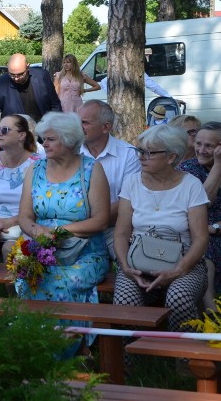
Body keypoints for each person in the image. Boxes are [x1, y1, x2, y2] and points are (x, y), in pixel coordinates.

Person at [114, 125, 209, 332]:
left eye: (149, 153)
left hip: (185, 264)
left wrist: (178, 270)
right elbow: (121, 232)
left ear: (171, 157)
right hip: (137, 262)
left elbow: (201, 238)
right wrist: (126, 267)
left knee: (179, 299)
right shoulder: (132, 182)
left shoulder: (191, 185)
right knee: (124, 302)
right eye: (139, 151)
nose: (141, 157)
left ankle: (186, 360)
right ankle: (135, 361)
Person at [17, 112, 110, 305]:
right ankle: (34, 333)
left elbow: (101, 221)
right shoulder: (35, 169)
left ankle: (70, 335)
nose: (44, 144)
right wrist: (37, 231)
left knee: (62, 282)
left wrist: (58, 232)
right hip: (42, 248)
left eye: (51, 139)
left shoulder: (92, 169)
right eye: (43, 139)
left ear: (69, 141)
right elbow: (24, 216)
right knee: (28, 276)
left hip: (84, 252)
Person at [78, 100, 141, 259]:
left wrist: (92, 220)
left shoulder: (128, 155)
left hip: (114, 228)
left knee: (129, 261)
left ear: (106, 127)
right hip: (75, 227)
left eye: (84, 123)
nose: (78, 127)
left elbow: (128, 201)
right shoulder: (71, 151)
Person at [0, 114, 41, 260]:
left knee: (12, 249)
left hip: (28, 224)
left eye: (6, 129)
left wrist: (10, 221)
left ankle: (14, 283)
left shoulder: (38, 163)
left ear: (21, 135)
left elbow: (41, 204)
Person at [178, 122, 221, 311]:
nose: (201, 150)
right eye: (198, 143)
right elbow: (202, 202)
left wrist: (214, 227)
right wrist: (218, 166)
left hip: (211, 230)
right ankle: (213, 317)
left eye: (209, 146)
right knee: (206, 248)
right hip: (199, 234)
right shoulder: (187, 169)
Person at [0, 53, 62, 151]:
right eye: (12, 75)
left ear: (28, 67)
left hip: (44, 134)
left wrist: (58, 128)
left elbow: (55, 105)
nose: (16, 78)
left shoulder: (42, 76)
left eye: (20, 74)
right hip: (15, 138)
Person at [99, 72, 172, 99]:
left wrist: (112, 96)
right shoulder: (137, 70)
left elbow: (103, 82)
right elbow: (152, 85)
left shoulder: (117, 69)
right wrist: (169, 97)